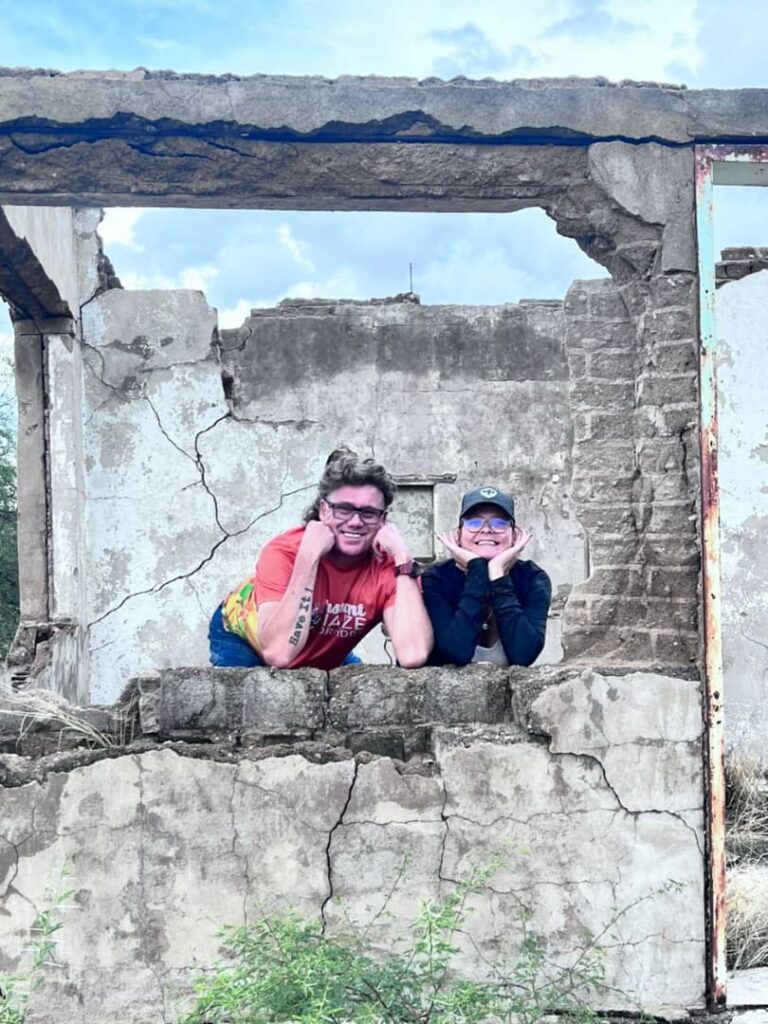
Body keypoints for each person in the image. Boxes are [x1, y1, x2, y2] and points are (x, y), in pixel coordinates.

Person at [208, 448, 433, 670]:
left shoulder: (392, 566)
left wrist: (403, 557)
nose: (356, 522)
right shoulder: (285, 551)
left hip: (317, 645)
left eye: (369, 513)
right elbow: (278, 654)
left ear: (383, 520)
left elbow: (413, 655)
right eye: (343, 509)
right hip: (246, 638)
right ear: (324, 510)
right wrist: (309, 558)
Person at [422, 486, 551, 667]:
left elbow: (524, 655)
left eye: (499, 523)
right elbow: (456, 651)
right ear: (458, 535)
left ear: (515, 535)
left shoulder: (532, 578)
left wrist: (497, 574)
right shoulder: (436, 579)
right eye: (474, 522)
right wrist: (477, 571)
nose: (487, 529)